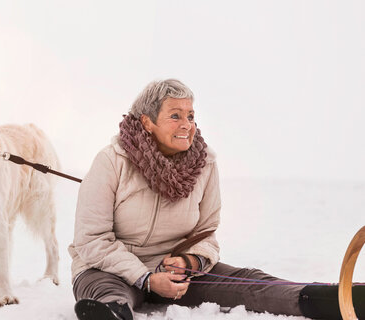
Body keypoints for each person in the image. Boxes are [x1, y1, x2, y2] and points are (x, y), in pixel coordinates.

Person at [68, 79, 364, 320]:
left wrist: (188, 260)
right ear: (147, 122)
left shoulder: (204, 163)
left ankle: (340, 299)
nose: (187, 124)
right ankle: (110, 314)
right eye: (175, 115)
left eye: (190, 115)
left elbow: (207, 232)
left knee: (251, 283)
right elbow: (92, 241)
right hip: (109, 269)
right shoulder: (112, 161)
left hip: (175, 274)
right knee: (107, 291)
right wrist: (144, 278)